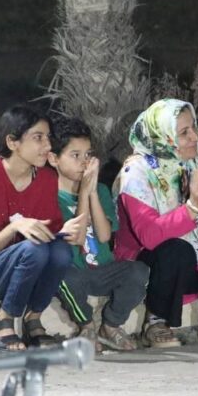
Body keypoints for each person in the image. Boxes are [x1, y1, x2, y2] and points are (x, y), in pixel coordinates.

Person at [112, 99, 198, 348]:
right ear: (162, 135)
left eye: (194, 127)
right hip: (152, 267)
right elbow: (150, 236)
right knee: (176, 249)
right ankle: (156, 321)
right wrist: (193, 208)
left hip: (197, 265)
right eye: (184, 132)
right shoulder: (137, 171)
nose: (195, 137)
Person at [0, 106, 87, 352]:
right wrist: (15, 226)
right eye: (38, 138)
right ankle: (3, 320)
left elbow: (50, 239)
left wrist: (69, 232)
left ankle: (32, 317)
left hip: (27, 272)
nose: (47, 145)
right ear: (12, 142)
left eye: (48, 137)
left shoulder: (47, 179)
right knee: (34, 249)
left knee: (61, 251)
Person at [47, 116, 148, 352]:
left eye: (87, 154)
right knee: (62, 276)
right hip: (74, 270)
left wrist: (91, 192)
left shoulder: (100, 190)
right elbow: (78, 238)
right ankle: (86, 326)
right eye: (75, 155)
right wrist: (83, 193)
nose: (84, 162)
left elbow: (103, 236)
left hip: (102, 269)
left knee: (138, 271)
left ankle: (111, 325)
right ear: (53, 158)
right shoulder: (49, 196)